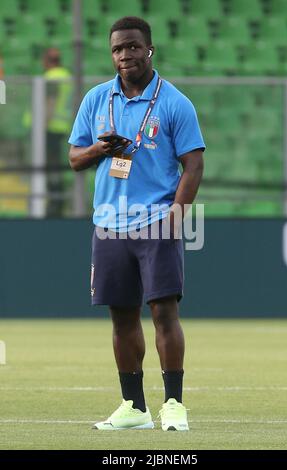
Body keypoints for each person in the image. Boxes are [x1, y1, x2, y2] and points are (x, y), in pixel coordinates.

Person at [68, 16, 205, 431]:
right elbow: (75, 159)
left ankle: (175, 405)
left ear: (149, 50)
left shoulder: (174, 102)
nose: (124, 55)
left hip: (155, 221)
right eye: (117, 49)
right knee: (122, 318)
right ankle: (134, 407)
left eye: (132, 47)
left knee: (164, 312)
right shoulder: (96, 99)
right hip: (109, 224)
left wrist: (175, 217)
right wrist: (100, 149)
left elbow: (194, 165)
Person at [43, 47, 72, 217]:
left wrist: (43, 124)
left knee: (50, 167)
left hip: (51, 127)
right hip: (62, 126)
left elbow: (51, 101)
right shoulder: (66, 75)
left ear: (46, 61)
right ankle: (58, 200)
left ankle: (54, 202)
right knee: (56, 167)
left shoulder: (51, 77)